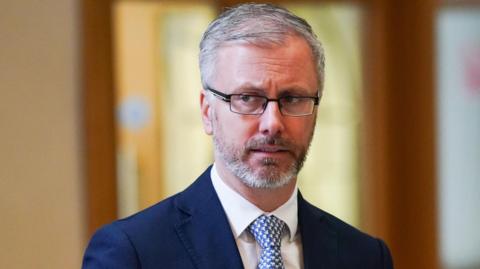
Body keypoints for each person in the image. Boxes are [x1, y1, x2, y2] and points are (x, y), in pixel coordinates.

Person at [83, 3, 393, 269]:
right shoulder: (133, 251)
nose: (272, 123)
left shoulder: (364, 256)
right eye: (247, 98)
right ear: (207, 112)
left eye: (293, 98)